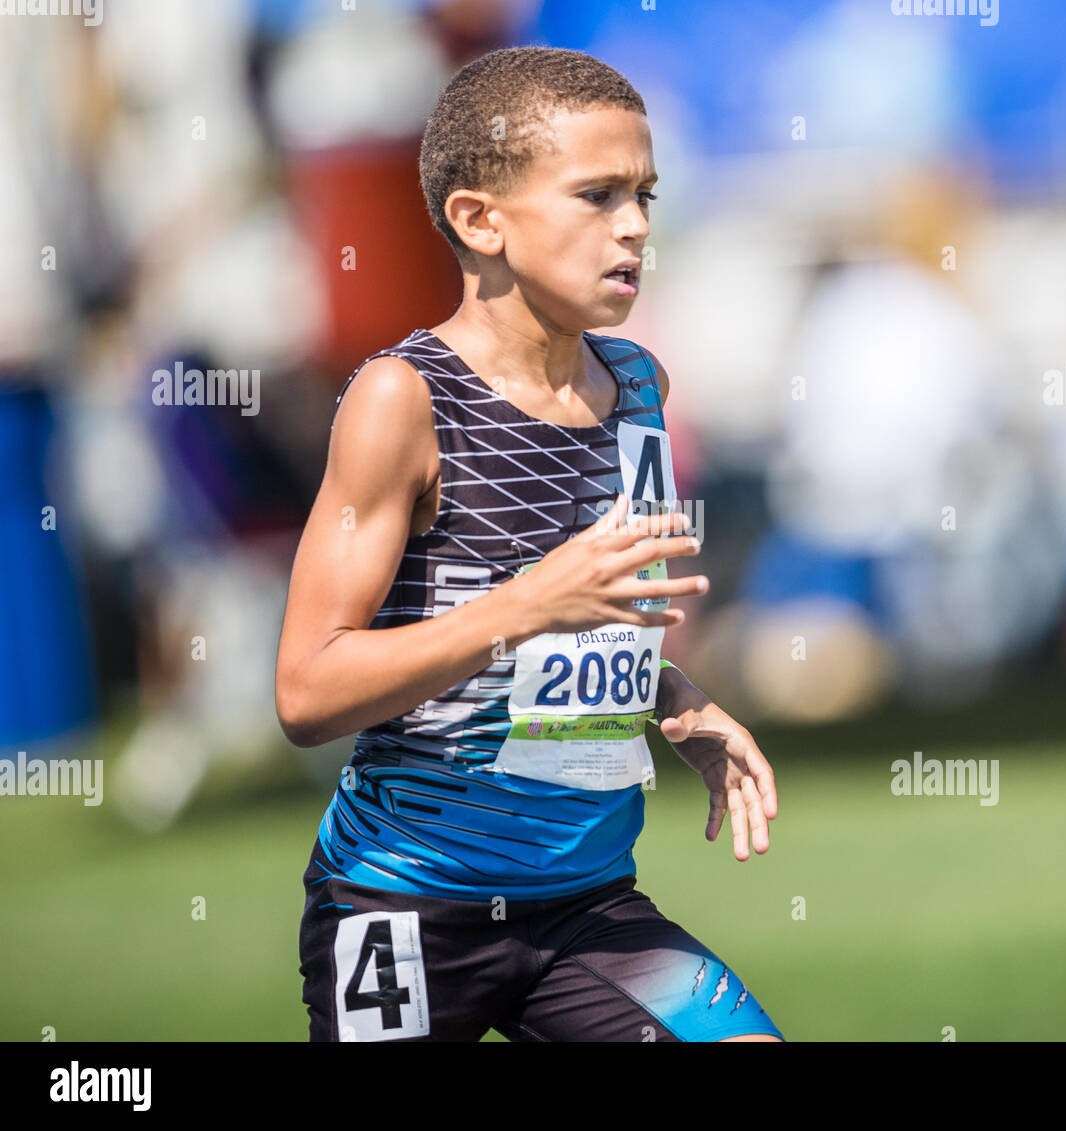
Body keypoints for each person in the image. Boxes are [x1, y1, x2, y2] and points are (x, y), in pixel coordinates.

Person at [275, 46, 783, 1042]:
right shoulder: (402, 401)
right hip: (402, 908)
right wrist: (523, 606)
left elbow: (585, 633)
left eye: (645, 193)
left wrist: (675, 701)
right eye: (596, 196)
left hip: (586, 905)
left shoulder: (638, 387)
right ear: (480, 221)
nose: (634, 224)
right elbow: (307, 690)